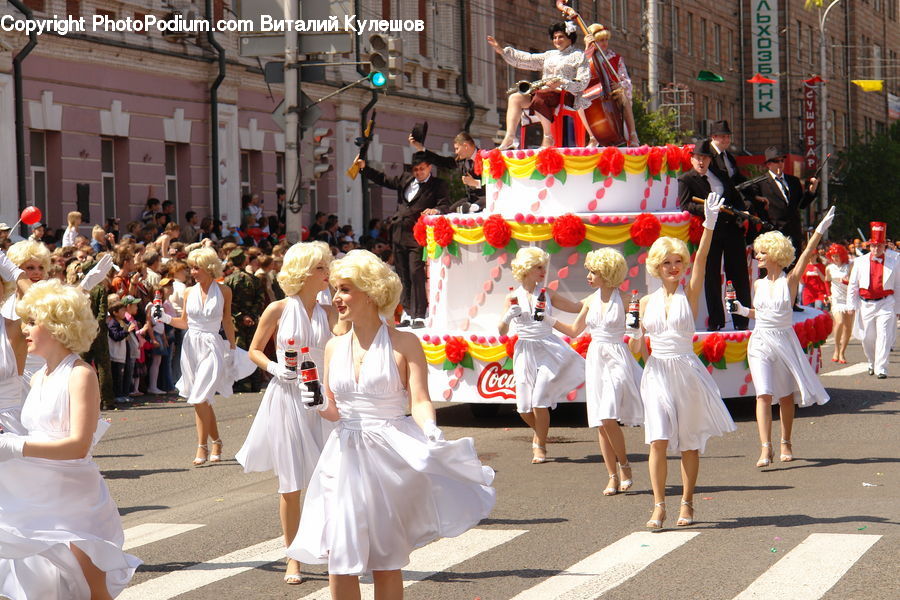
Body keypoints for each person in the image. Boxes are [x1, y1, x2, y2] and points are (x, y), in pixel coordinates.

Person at [286, 250, 495, 599]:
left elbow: (420, 399)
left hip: (389, 458)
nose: (336, 297)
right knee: (340, 553)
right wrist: (320, 403)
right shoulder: (333, 347)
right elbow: (335, 411)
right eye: (335, 289)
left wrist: (430, 429)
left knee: (385, 558)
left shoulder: (404, 342)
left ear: (370, 292)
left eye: (346, 289)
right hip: (343, 456)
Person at [0, 279, 141, 599]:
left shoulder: (80, 375)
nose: (25, 329)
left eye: (33, 322)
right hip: (37, 492)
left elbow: (78, 444)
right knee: (41, 584)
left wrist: (13, 446)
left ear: (57, 326)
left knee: (93, 591)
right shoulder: (37, 377)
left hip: (74, 499)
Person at [235, 241, 342, 585]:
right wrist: (273, 367)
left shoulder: (331, 311)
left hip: (321, 397)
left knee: (329, 478)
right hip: (287, 397)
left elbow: (343, 347)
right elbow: (252, 350)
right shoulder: (278, 309)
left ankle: (328, 549)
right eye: (321, 268)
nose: (327, 273)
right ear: (305, 272)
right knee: (292, 482)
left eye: (327, 267)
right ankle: (292, 557)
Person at [637, 194, 737, 529]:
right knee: (659, 439)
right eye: (667, 262)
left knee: (689, 443)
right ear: (656, 265)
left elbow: (704, 259)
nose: (674, 267)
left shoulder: (689, 292)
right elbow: (639, 345)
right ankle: (658, 506)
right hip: (657, 372)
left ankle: (687, 502)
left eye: (678, 261)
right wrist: (636, 339)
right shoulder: (646, 301)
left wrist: (708, 223)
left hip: (685, 371)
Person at [730, 208, 834, 468]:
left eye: (762, 253)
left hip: (784, 341)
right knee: (763, 394)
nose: (758, 257)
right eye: (757, 253)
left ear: (776, 254)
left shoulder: (790, 281)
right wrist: (742, 310)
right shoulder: (757, 284)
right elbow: (760, 313)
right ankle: (766, 448)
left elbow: (808, 253)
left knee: (786, 397)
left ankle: (785, 440)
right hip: (760, 341)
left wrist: (820, 229)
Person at [553, 248, 642, 494]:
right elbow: (573, 330)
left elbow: (637, 335)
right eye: (589, 271)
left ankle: (624, 465)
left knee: (607, 416)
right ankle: (612, 475)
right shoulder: (590, 300)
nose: (589, 276)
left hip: (616, 357)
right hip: (596, 359)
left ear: (608, 273)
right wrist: (547, 320)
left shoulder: (627, 300)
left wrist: (636, 331)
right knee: (600, 422)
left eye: (594, 272)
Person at [498, 247, 585, 464]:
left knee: (539, 401)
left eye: (543, 267)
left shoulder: (548, 293)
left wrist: (601, 295)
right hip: (525, 350)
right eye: (538, 267)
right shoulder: (512, 296)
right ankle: (541, 432)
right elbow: (500, 331)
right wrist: (508, 317)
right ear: (526, 269)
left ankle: (540, 445)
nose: (542, 271)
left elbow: (576, 307)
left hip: (549, 348)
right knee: (523, 407)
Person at [158, 247, 238, 465]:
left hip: (212, 344)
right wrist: (164, 317)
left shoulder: (224, 291)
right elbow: (184, 322)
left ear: (209, 268)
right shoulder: (188, 292)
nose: (193, 272)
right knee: (201, 399)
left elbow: (227, 321)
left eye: (196, 267)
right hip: (191, 346)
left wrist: (232, 348)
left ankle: (202, 446)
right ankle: (217, 442)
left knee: (200, 397)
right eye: (191, 268)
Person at [356, 151, 450, 328]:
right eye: (416, 169)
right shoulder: (405, 179)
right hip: (398, 233)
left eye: (422, 169)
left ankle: (420, 313)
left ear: (429, 168)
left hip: (417, 234)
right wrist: (364, 168)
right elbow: (384, 179)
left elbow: (445, 204)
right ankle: (407, 312)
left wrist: (435, 211)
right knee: (402, 274)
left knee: (416, 273)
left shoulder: (438, 185)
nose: (418, 172)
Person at [678, 139, 752, 331]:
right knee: (711, 276)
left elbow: (737, 198)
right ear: (692, 159)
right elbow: (685, 205)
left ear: (710, 160)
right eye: (698, 158)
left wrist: (739, 215)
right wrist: (707, 209)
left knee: (739, 274)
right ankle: (716, 321)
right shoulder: (686, 179)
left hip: (731, 229)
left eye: (705, 158)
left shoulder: (720, 175)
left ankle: (741, 320)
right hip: (709, 231)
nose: (701, 161)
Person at [488, 22, 591, 149]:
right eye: (554, 37)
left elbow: (583, 81)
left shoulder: (579, 55)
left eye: (561, 37)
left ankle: (548, 137)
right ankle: (510, 136)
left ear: (570, 38)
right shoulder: (550, 55)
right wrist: (502, 51)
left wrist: (562, 82)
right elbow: (528, 59)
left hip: (565, 95)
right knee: (515, 98)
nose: (557, 40)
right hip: (544, 92)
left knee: (540, 97)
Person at [748, 147, 819, 273]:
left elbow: (801, 204)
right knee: (772, 274)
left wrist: (812, 191)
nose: (781, 163)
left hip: (793, 235)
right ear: (769, 164)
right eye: (776, 161)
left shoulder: (793, 181)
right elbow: (753, 205)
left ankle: (792, 293)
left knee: (793, 275)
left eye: (782, 160)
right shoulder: (760, 183)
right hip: (773, 235)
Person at [847, 222, 898, 379]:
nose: (876, 249)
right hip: (866, 303)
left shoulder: (895, 260)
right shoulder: (860, 261)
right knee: (867, 337)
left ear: (885, 246)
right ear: (869, 246)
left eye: (880, 246)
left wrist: (898, 309)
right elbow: (853, 284)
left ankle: (881, 367)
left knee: (884, 334)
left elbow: (899, 284)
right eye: (874, 246)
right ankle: (871, 361)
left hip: (886, 302)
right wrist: (851, 304)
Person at [580, 22, 639, 146]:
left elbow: (626, 80)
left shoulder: (616, 58)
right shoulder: (585, 58)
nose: (604, 43)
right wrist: (587, 48)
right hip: (595, 94)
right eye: (600, 40)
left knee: (623, 96)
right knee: (579, 104)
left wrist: (619, 85)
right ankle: (593, 137)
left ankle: (633, 135)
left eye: (606, 40)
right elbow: (580, 75)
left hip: (613, 93)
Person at [409, 131, 485, 213]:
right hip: (470, 199)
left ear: (465, 146)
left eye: (457, 148)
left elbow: (495, 184)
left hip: (485, 200)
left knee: (472, 209)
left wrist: (476, 183)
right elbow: (442, 161)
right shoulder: (461, 160)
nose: (456, 152)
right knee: (448, 213)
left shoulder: (486, 158)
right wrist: (421, 149)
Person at [223, 249, 263, 392]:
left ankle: (242, 384)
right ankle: (255, 383)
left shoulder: (228, 281)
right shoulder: (255, 280)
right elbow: (260, 301)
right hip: (252, 322)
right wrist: (251, 316)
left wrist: (240, 316)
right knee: (254, 350)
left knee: (239, 352)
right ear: (245, 261)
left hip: (235, 323)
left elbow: (227, 304)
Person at [825, 243, 854, 364]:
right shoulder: (829, 268)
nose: (835, 258)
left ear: (842, 255)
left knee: (848, 327)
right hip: (836, 299)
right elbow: (826, 281)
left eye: (837, 256)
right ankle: (836, 349)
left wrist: (847, 282)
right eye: (833, 256)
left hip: (848, 299)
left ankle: (842, 352)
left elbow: (855, 283)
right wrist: (827, 295)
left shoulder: (850, 266)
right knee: (839, 321)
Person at [708, 120, 745, 187]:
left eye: (728, 137)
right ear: (713, 137)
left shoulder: (729, 157)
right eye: (723, 137)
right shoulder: (707, 155)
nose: (727, 140)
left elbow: (737, 178)